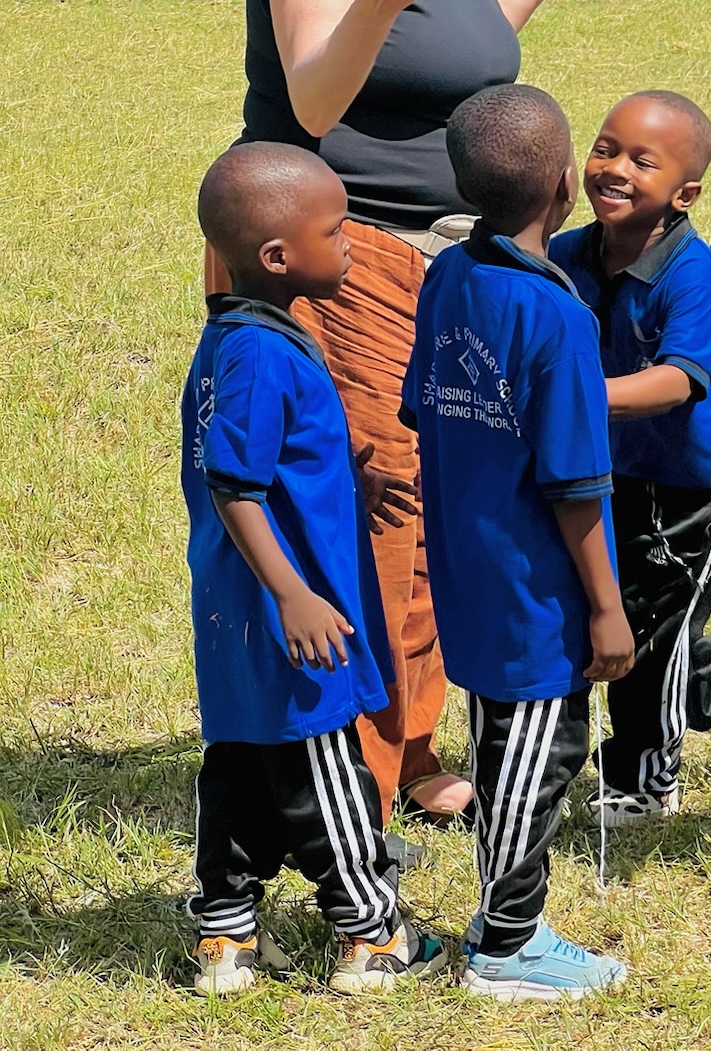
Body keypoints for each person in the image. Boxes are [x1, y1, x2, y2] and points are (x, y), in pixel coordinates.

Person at [234, 0, 635, 828]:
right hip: (349, 251)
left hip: (440, 255)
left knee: (426, 500)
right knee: (379, 504)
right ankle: (356, 780)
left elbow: (449, 57)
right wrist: (372, 5)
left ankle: (408, 745)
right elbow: (316, 96)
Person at [182, 145, 443, 998]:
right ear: (277, 257)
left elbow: (270, 458)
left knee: (239, 763)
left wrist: (344, 479)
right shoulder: (262, 355)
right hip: (286, 612)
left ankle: (225, 933)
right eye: (335, 232)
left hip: (237, 608)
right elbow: (235, 482)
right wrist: (294, 593)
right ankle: (371, 933)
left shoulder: (245, 336)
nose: (351, 244)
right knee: (323, 765)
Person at [405, 85, 633, 1001]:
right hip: (536, 587)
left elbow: (424, 410)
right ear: (565, 184)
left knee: (505, 742)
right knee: (540, 757)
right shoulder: (559, 318)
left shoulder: (446, 277)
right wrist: (607, 608)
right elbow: (575, 484)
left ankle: (503, 920)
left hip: (468, 564)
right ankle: (507, 944)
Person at [551, 93, 711, 822]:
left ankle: (645, 782)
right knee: (623, 613)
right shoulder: (568, 255)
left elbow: (678, 379)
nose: (614, 169)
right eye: (605, 148)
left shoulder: (694, 274)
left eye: (641, 161)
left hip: (705, 479)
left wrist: (577, 397)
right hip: (623, 466)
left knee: (654, 630)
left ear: (685, 194)